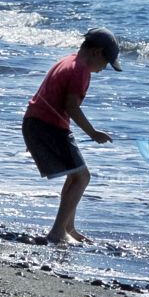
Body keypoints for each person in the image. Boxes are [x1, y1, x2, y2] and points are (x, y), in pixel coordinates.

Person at [22, 27, 120, 243]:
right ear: (96, 52)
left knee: (75, 175)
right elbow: (72, 106)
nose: (104, 68)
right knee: (83, 177)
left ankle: (68, 227)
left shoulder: (68, 60)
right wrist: (93, 132)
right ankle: (57, 233)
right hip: (47, 126)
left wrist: (34, 135)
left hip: (37, 123)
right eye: (106, 62)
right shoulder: (80, 70)